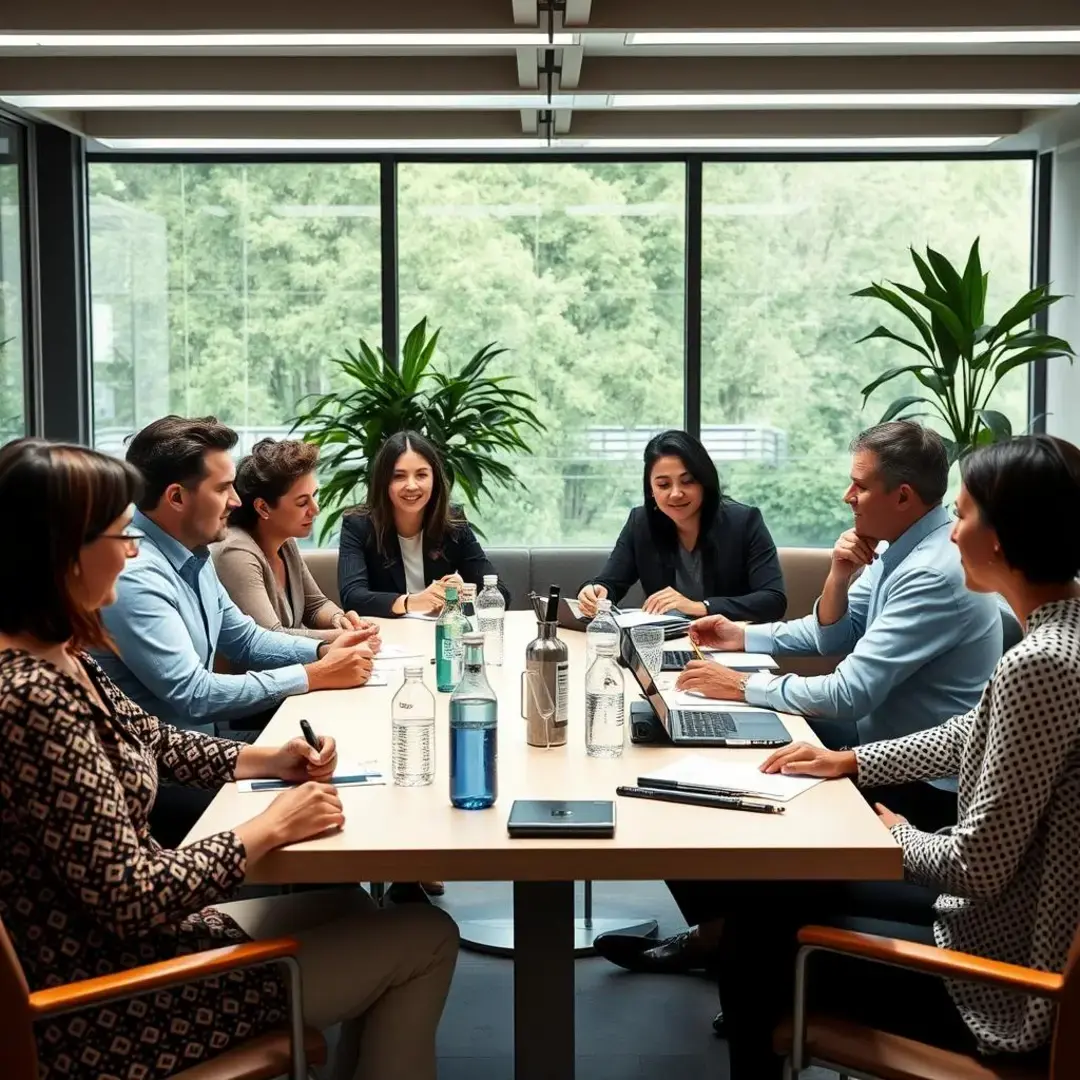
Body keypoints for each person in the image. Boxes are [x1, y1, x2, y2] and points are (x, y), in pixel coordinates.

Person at [0, 438, 459, 1080]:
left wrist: (272, 759)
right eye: (118, 535)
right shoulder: (33, 700)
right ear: (62, 553)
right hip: (116, 1002)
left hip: (135, 952)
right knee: (427, 938)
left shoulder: (59, 656)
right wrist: (268, 827)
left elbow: (159, 741)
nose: (131, 552)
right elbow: (131, 897)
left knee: (359, 907)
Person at [700, 433, 1080, 1079]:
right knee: (771, 900)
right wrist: (853, 763)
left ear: (1001, 537)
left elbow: (977, 865)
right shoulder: (1060, 637)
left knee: (756, 940)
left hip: (996, 979)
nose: (951, 532)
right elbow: (972, 730)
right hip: (1002, 920)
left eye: (961, 515)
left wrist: (897, 835)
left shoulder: (1039, 663)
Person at [596, 421, 1003, 983]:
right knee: (686, 761)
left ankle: (733, 940)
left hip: (920, 783)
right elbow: (831, 634)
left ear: (902, 496)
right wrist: (746, 635)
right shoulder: (898, 549)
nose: (847, 496)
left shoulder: (933, 571)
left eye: (858, 485)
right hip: (879, 743)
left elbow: (846, 691)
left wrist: (742, 685)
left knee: (720, 794)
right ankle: (723, 934)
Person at [92, 416, 379, 742]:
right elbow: (194, 695)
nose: (236, 501)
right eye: (222, 488)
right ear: (176, 497)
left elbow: (246, 640)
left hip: (205, 749)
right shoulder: (134, 574)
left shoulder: (194, 550)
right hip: (162, 772)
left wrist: (322, 650)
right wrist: (313, 674)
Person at [577, 429, 786, 622]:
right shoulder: (640, 523)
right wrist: (596, 590)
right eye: (663, 485)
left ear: (704, 482)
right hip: (666, 645)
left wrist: (700, 607)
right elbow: (611, 582)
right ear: (651, 490)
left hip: (730, 646)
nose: (676, 493)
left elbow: (773, 600)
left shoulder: (744, 522)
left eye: (687, 481)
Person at [213, 437, 379, 644]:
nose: (315, 509)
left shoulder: (285, 542)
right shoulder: (235, 553)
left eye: (314, 496)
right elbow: (268, 638)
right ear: (263, 508)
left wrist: (341, 620)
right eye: (302, 503)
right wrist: (341, 637)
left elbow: (315, 604)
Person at [338, 430, 510, 618]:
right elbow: (352, 597)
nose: (411, 485)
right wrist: (412, 602)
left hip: (439, 634)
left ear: (434, 479)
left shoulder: (453, 522)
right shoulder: (358, 525)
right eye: (399, 476)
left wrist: (464, 593)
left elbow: (500, 594)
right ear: (383, 482)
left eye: (421, 475)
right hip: (384, 636)